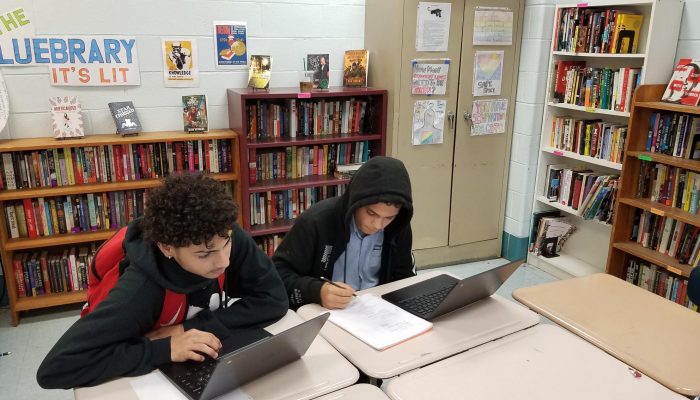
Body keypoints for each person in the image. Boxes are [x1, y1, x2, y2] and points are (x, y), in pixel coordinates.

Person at [36, 173, 288, 389]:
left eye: (227, 244)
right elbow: (55, 369)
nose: (224, 262)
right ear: (167, 247)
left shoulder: (220, 234)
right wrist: (165, 349)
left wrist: (188, 329)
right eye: (204, 254)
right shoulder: (140, 288)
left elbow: (275, 299)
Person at [273, 156, 414, 310]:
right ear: (356, 201)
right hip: (325, 313)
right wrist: (317, 291)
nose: (378, 225)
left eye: (389, 217)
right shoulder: (317, 222)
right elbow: (277, 275)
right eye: (371, 213)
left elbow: (404, 279)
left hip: (378, 313)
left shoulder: (398, 227)